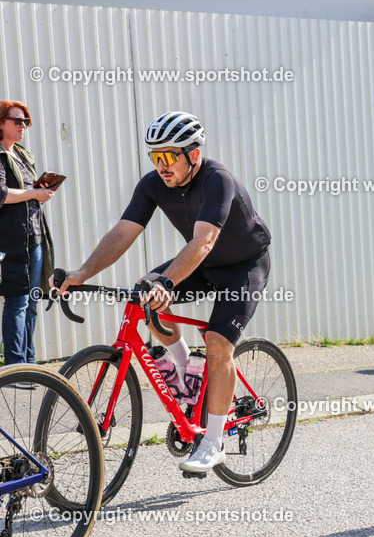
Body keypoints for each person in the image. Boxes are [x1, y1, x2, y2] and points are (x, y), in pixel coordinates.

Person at [54, 111, 272, 473]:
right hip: (202, 263)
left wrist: (168, 281)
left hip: (242, 265)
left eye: (169, 156)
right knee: (145, 295)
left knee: (218, 343)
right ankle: (188, 376)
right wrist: (80, 273)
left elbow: (203, 241)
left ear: (194, 155)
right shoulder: (153, 184)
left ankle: (213, 441)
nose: (161, 165)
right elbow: (122, 233)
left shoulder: (217, 179)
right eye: (155, 157)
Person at [0, 100, 57, 364]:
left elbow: (25, 192)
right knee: (17, 302)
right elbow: (2, 194)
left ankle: (29, 363)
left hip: (34, 237)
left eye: (25, 121)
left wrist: (41, 189)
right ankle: (15, 366)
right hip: (13, 240)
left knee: (31, 302)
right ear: (1, 123)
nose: (23, 126)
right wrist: (35, 193)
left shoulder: (20, 155)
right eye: (17, 120)